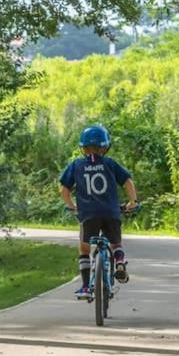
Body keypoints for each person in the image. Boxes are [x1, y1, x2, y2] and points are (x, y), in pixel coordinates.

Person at [59, 125, 139, 299]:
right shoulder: (110, 164)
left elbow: (63, 190)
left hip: (88, 214)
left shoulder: (77, 165)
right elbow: (127, 182)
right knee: (116, 243)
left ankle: (87, 286)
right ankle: (119, 261)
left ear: (83, 147)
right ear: (105, 146)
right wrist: (132, 202)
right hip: (111, 212)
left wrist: (73, 206)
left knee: (84, 247)